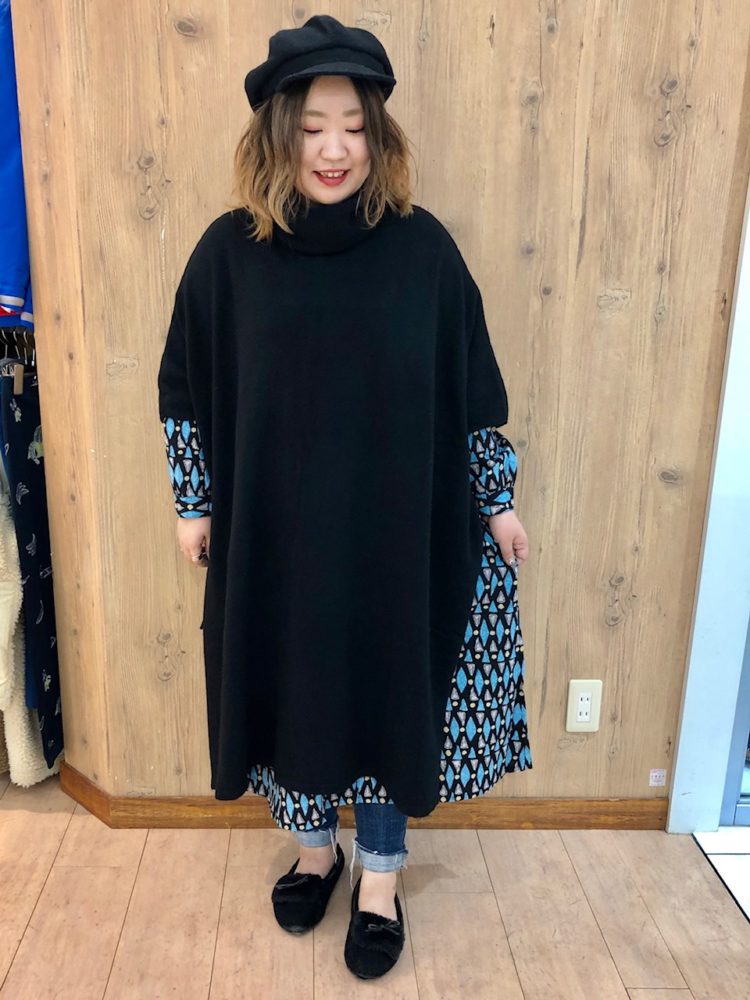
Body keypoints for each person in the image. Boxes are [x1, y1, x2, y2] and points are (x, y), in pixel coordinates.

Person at [157, 14, 532, 980]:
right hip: (277, 540)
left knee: (386, 697)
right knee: (292, 694)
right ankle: (314, 851)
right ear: (277, 134)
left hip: (394, 538)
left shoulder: (423, 252)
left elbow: (472, 394)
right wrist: (194, 504)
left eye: (356, 127)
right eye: (314, 126)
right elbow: (185, 390)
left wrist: (497, 502)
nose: (335, 149)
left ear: (380, 136)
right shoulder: (228, 255)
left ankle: (380, 879)